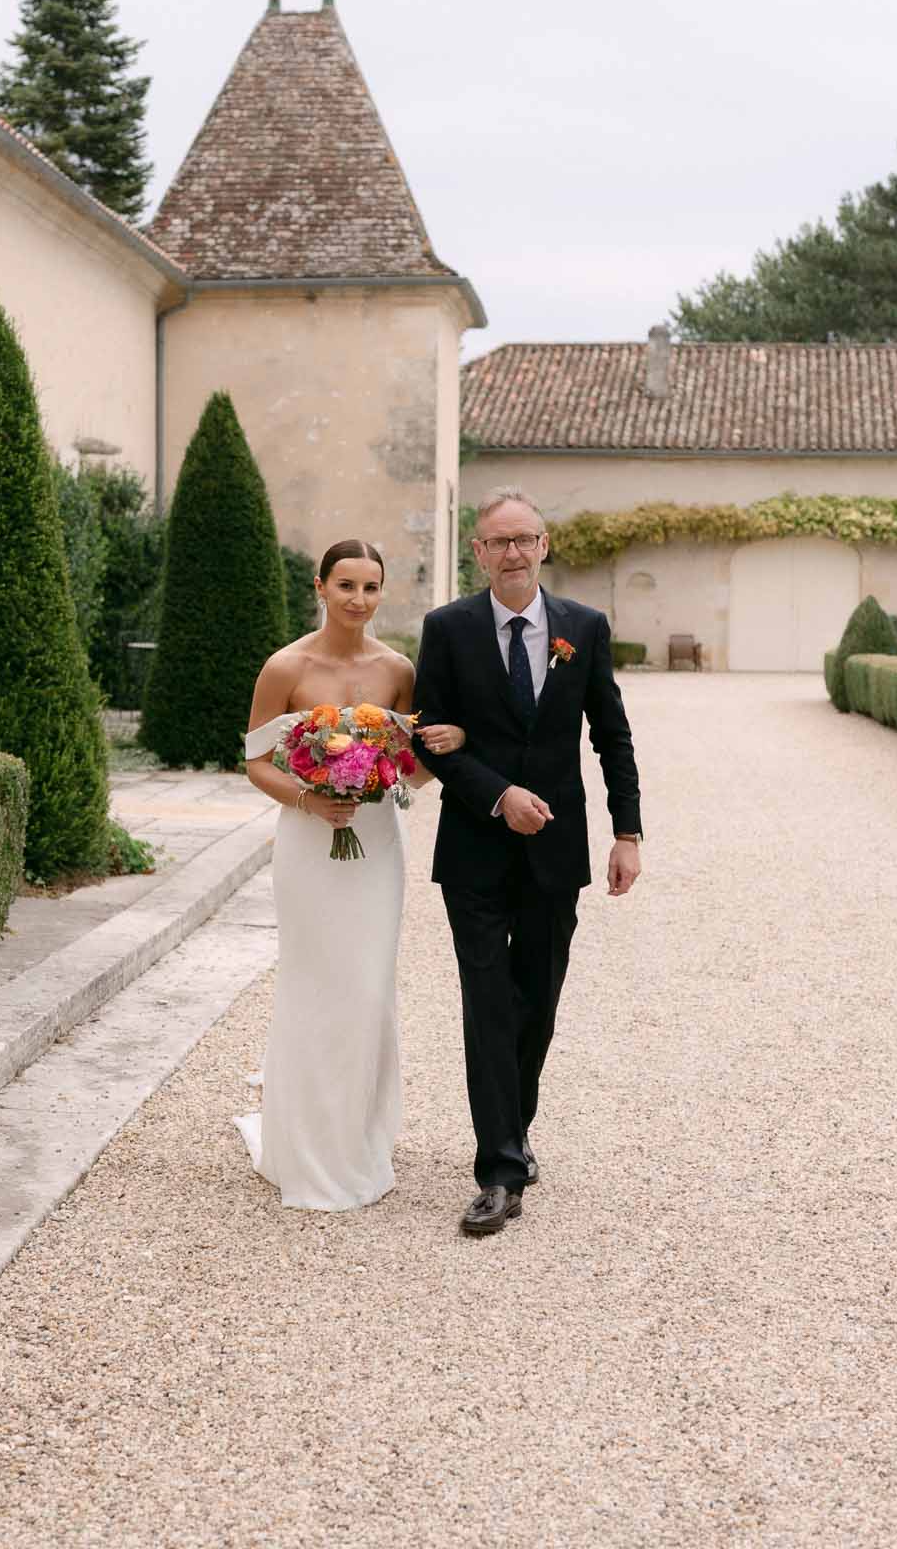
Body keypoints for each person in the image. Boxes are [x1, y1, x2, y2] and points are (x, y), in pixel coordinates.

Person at [412, 487, 643, 1236]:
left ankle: (514, 1127)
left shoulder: (584, 627)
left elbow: (611, 735)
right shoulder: (446, 628)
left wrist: (627, 834)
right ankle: (499, 1170)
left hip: (556, 851)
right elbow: (430, 737)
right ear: (476, 553)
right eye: (497, 542)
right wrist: (497, 792)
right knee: (486, 1004)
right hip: (473, 849)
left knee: (535, 1003)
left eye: (525, 539)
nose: (512, 553)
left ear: (544, 546)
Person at [237, 538, 463, 1211]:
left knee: (366, 988)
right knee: (312, 983)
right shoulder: (286, 666)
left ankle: (358, 1140)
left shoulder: (397, 669)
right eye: (345, 586)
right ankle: (301, 1143)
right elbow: (255, 761)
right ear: (320, 586)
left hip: (375, 843)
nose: (357, 600)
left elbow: (417, 766)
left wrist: (431, 760)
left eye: (369, 588)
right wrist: (311, 798)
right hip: (310, 842)